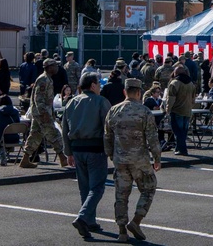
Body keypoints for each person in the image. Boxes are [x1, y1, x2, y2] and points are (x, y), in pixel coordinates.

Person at [105, 78, 162, 243]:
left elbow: (107, 136)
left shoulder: (114, 111)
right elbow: (152, 138)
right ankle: (136, 221)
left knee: (121, 195)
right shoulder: (144, 111)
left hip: (120, 159)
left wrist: (111, 155)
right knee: (149, 188)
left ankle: (122, 231)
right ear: (139, 92)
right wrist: (157, 158)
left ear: (124, 91)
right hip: (139, 159)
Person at [61, 73, 111, 239]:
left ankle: (90, 220)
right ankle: (83, 217)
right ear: (92, 85)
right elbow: (107, 128)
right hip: (95, 148)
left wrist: (68, 152)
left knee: (84, 187)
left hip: (77, 148)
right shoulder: (100, 101)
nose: (100, 86)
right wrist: (110, 150)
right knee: (97, 187)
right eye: (98, 83)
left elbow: (64, 130)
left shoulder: (71, 102)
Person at [20, 59, 69, 168]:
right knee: (54, 134)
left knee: (35, 135)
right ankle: (63, 157)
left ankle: (25, 159)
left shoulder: (48, 79)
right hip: (41, 113)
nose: (57, 68)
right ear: (49, 67)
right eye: (55, 66)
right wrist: (44, 113)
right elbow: (39, 99)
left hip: (43, 112)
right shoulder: (43, 79)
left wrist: (50, 113)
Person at [165, 65, 196, 156]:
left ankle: (183, 150)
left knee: (178, 131)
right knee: (183, 131)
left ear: (176, 73)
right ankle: (178, 148)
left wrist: (168, 109)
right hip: (187, 110)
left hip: (177, 110)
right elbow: (193, 99)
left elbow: (170, 99)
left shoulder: (174, 83)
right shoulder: (191, 84)